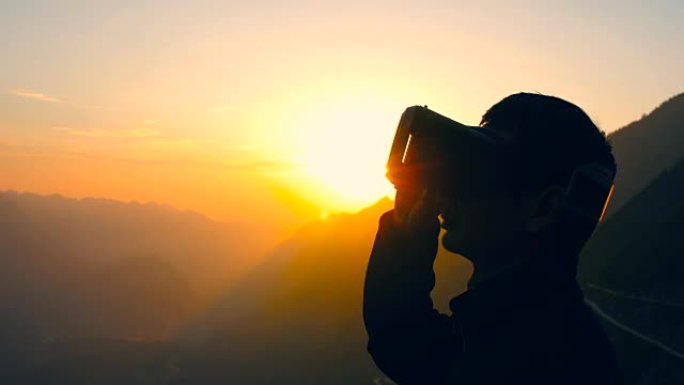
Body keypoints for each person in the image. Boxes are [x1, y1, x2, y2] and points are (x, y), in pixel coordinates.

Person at [363, 93, 623, 384]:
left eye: (479, 169)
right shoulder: (524, 332)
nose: (452, 187)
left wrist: (405, 236)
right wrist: (405, 229)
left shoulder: (535, 359)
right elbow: (403, 341)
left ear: (543, 209)